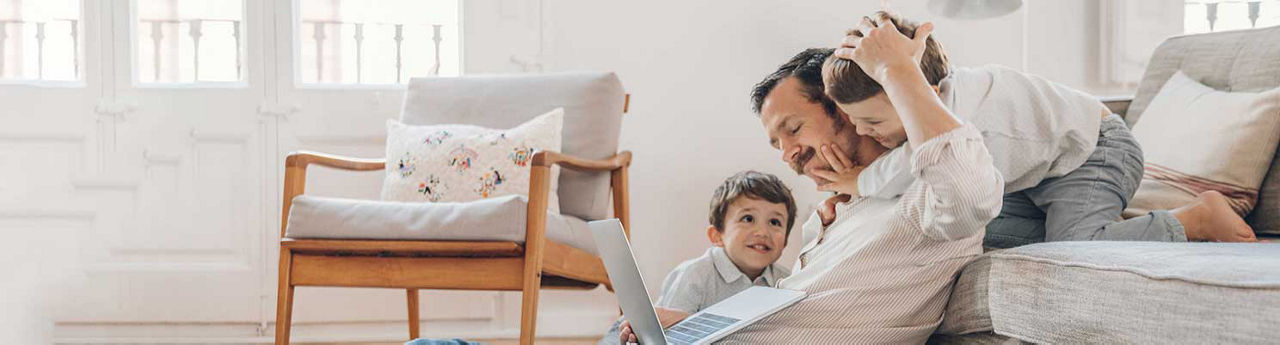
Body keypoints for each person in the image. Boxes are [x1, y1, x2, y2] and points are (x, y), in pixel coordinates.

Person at [818, 11, 1256, 247]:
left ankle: (1195, 218)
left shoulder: (959, 116)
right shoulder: (943, 99)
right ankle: (1099, 219)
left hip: (1094, 153)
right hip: (1036, 176)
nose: (863, 132)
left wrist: (858, 181)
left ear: (922, 89)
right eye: (853, 121)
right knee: (976, 235)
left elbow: (909, 167)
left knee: (1077, 247)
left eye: (872, 122)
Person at [606, 171, 796, 344]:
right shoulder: (695, 274)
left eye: (775, 222)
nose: (762, 231)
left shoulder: (788, 281)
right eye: (748, 219)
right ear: (717, 236)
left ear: (785, 241)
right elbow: (670, 333)